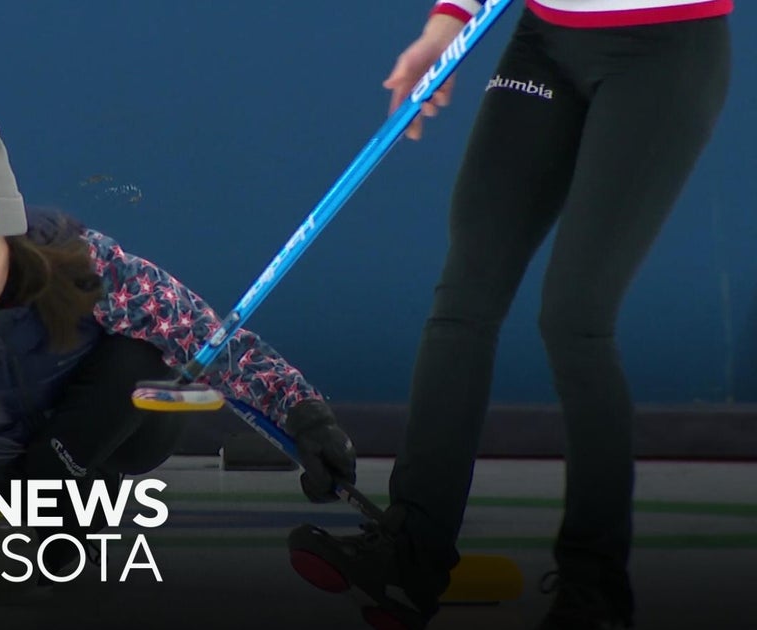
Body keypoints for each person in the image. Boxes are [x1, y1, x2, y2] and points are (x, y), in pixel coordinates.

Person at [286, 1, 732, 629]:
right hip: (545, 42)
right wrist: (442, 31)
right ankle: (410, 554)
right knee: (464, 297)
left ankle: (594, 588)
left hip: (664, 49)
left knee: (575, 317)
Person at [0, 107, 358, 575]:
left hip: (116, 428)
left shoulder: (81, 263)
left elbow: (206, 338)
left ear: (11, 241)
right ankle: (59, 502)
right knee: (58, 550)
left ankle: (58, 484)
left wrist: (303, 414)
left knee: (149, 345)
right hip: (1, 461)